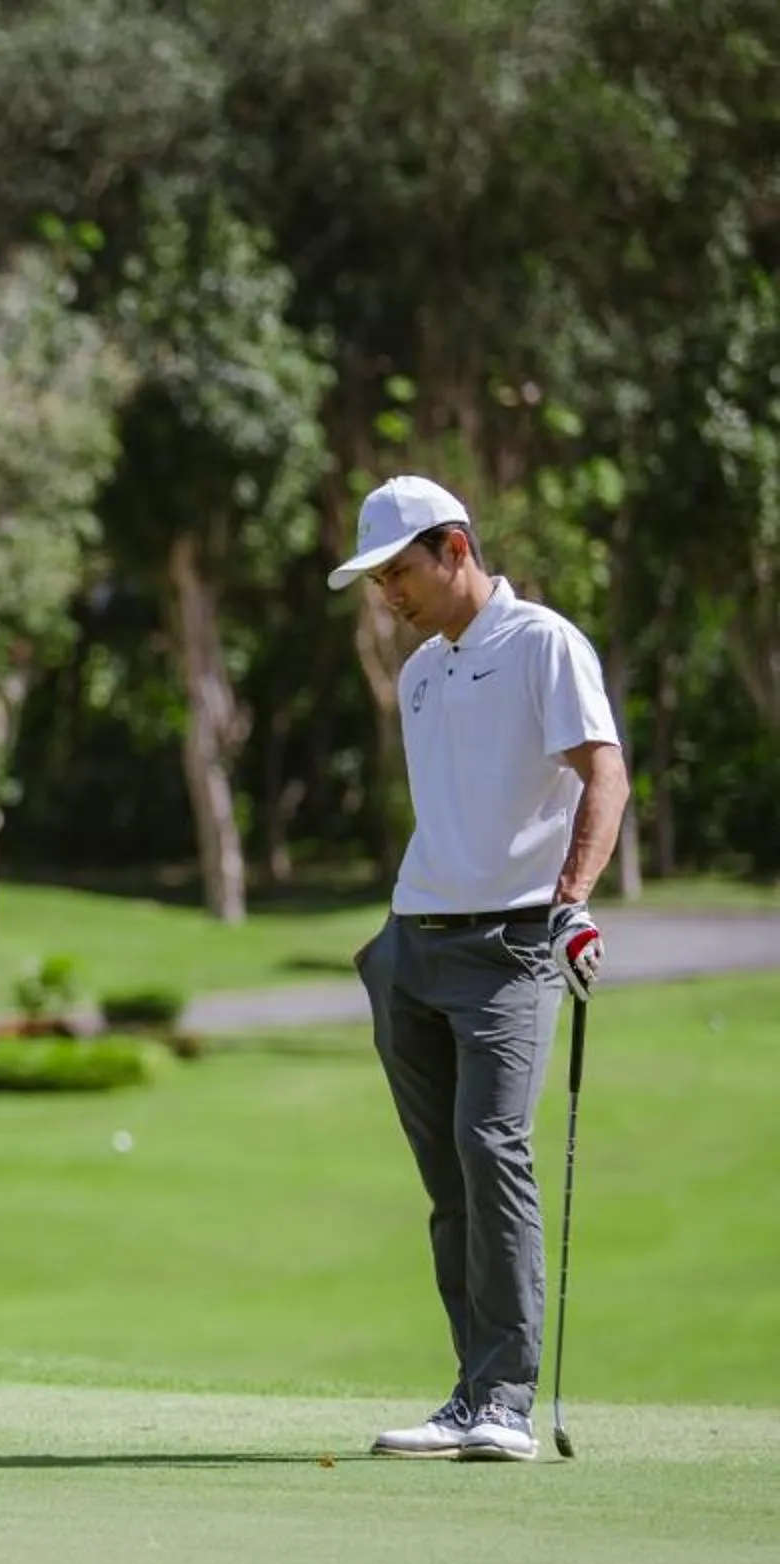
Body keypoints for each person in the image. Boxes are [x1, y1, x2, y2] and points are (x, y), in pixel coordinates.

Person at [330, 477, 626, 1463]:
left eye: (399, 573)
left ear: (454, 547)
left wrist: (574, 898)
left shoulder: (544, 642)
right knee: (450, 1176)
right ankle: (471, 1391)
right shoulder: (421, 672)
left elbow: (604, 769)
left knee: (491, 1146)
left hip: (508, 948)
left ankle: (505, 1398)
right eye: (378, 581)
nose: (389, 596)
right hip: (413, 945)